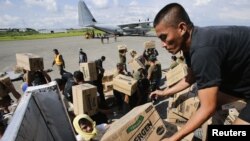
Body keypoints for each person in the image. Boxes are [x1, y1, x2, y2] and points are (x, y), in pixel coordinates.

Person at [150, 3, 250, 141]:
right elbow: (191, 77)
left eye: (164, 37)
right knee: (209, 106)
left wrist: (173, 138)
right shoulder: (189, 44)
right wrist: (165, 92)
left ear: (182, 28)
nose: (162, 44)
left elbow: (208, 107)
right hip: (241, 77)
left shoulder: (203, 50)